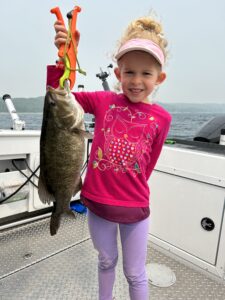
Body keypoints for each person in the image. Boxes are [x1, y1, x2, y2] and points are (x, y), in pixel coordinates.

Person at [48, 14, 172, 300]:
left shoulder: (162, 119)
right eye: (129, 72)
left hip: (135, 210)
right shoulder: (104, 102)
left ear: (159, 78)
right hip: (98, 206)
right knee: (105, 261)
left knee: (135, 273)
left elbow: (148, 167)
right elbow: (60, 98)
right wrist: (63, 61)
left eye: (146, 73)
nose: (136, 81)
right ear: (118, 74)